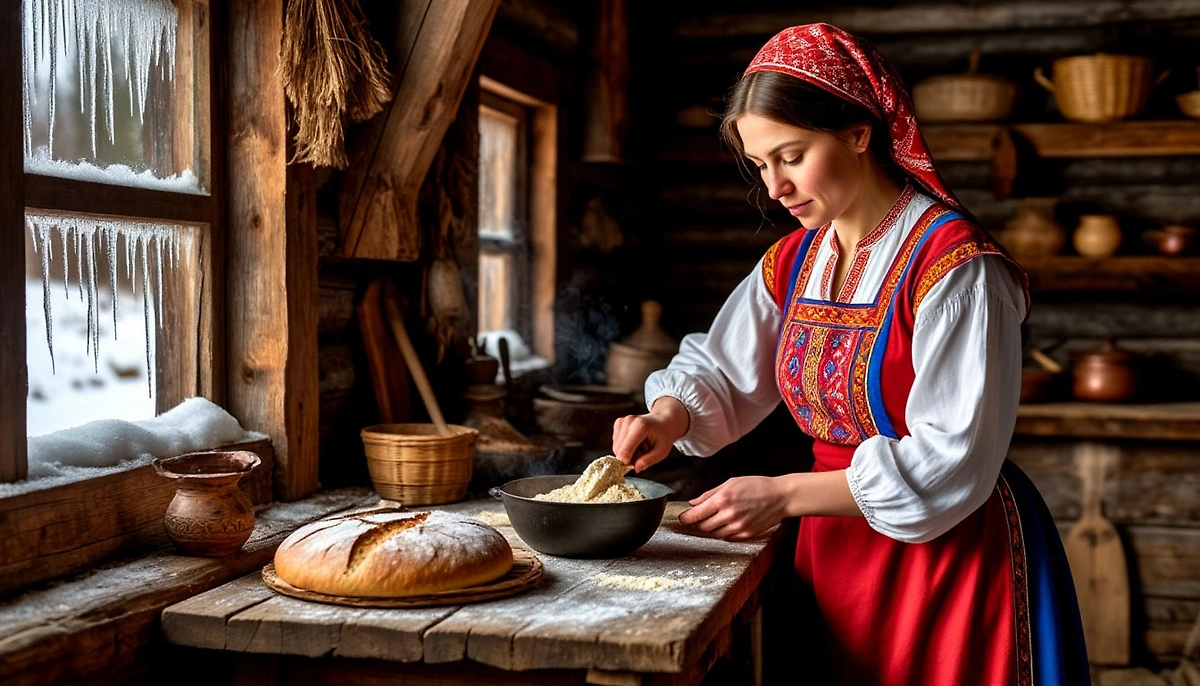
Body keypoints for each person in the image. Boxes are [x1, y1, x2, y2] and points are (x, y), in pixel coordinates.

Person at [611, 23, 1089, 685]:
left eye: (792, 155)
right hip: (833, 549)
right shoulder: (795, 260)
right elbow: (722, 369)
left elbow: (952, 460)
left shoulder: (956, 268)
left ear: (858, 134)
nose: (775, 186)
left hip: (946, 553)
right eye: (760, 165)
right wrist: (668, 417)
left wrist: (781, 496)